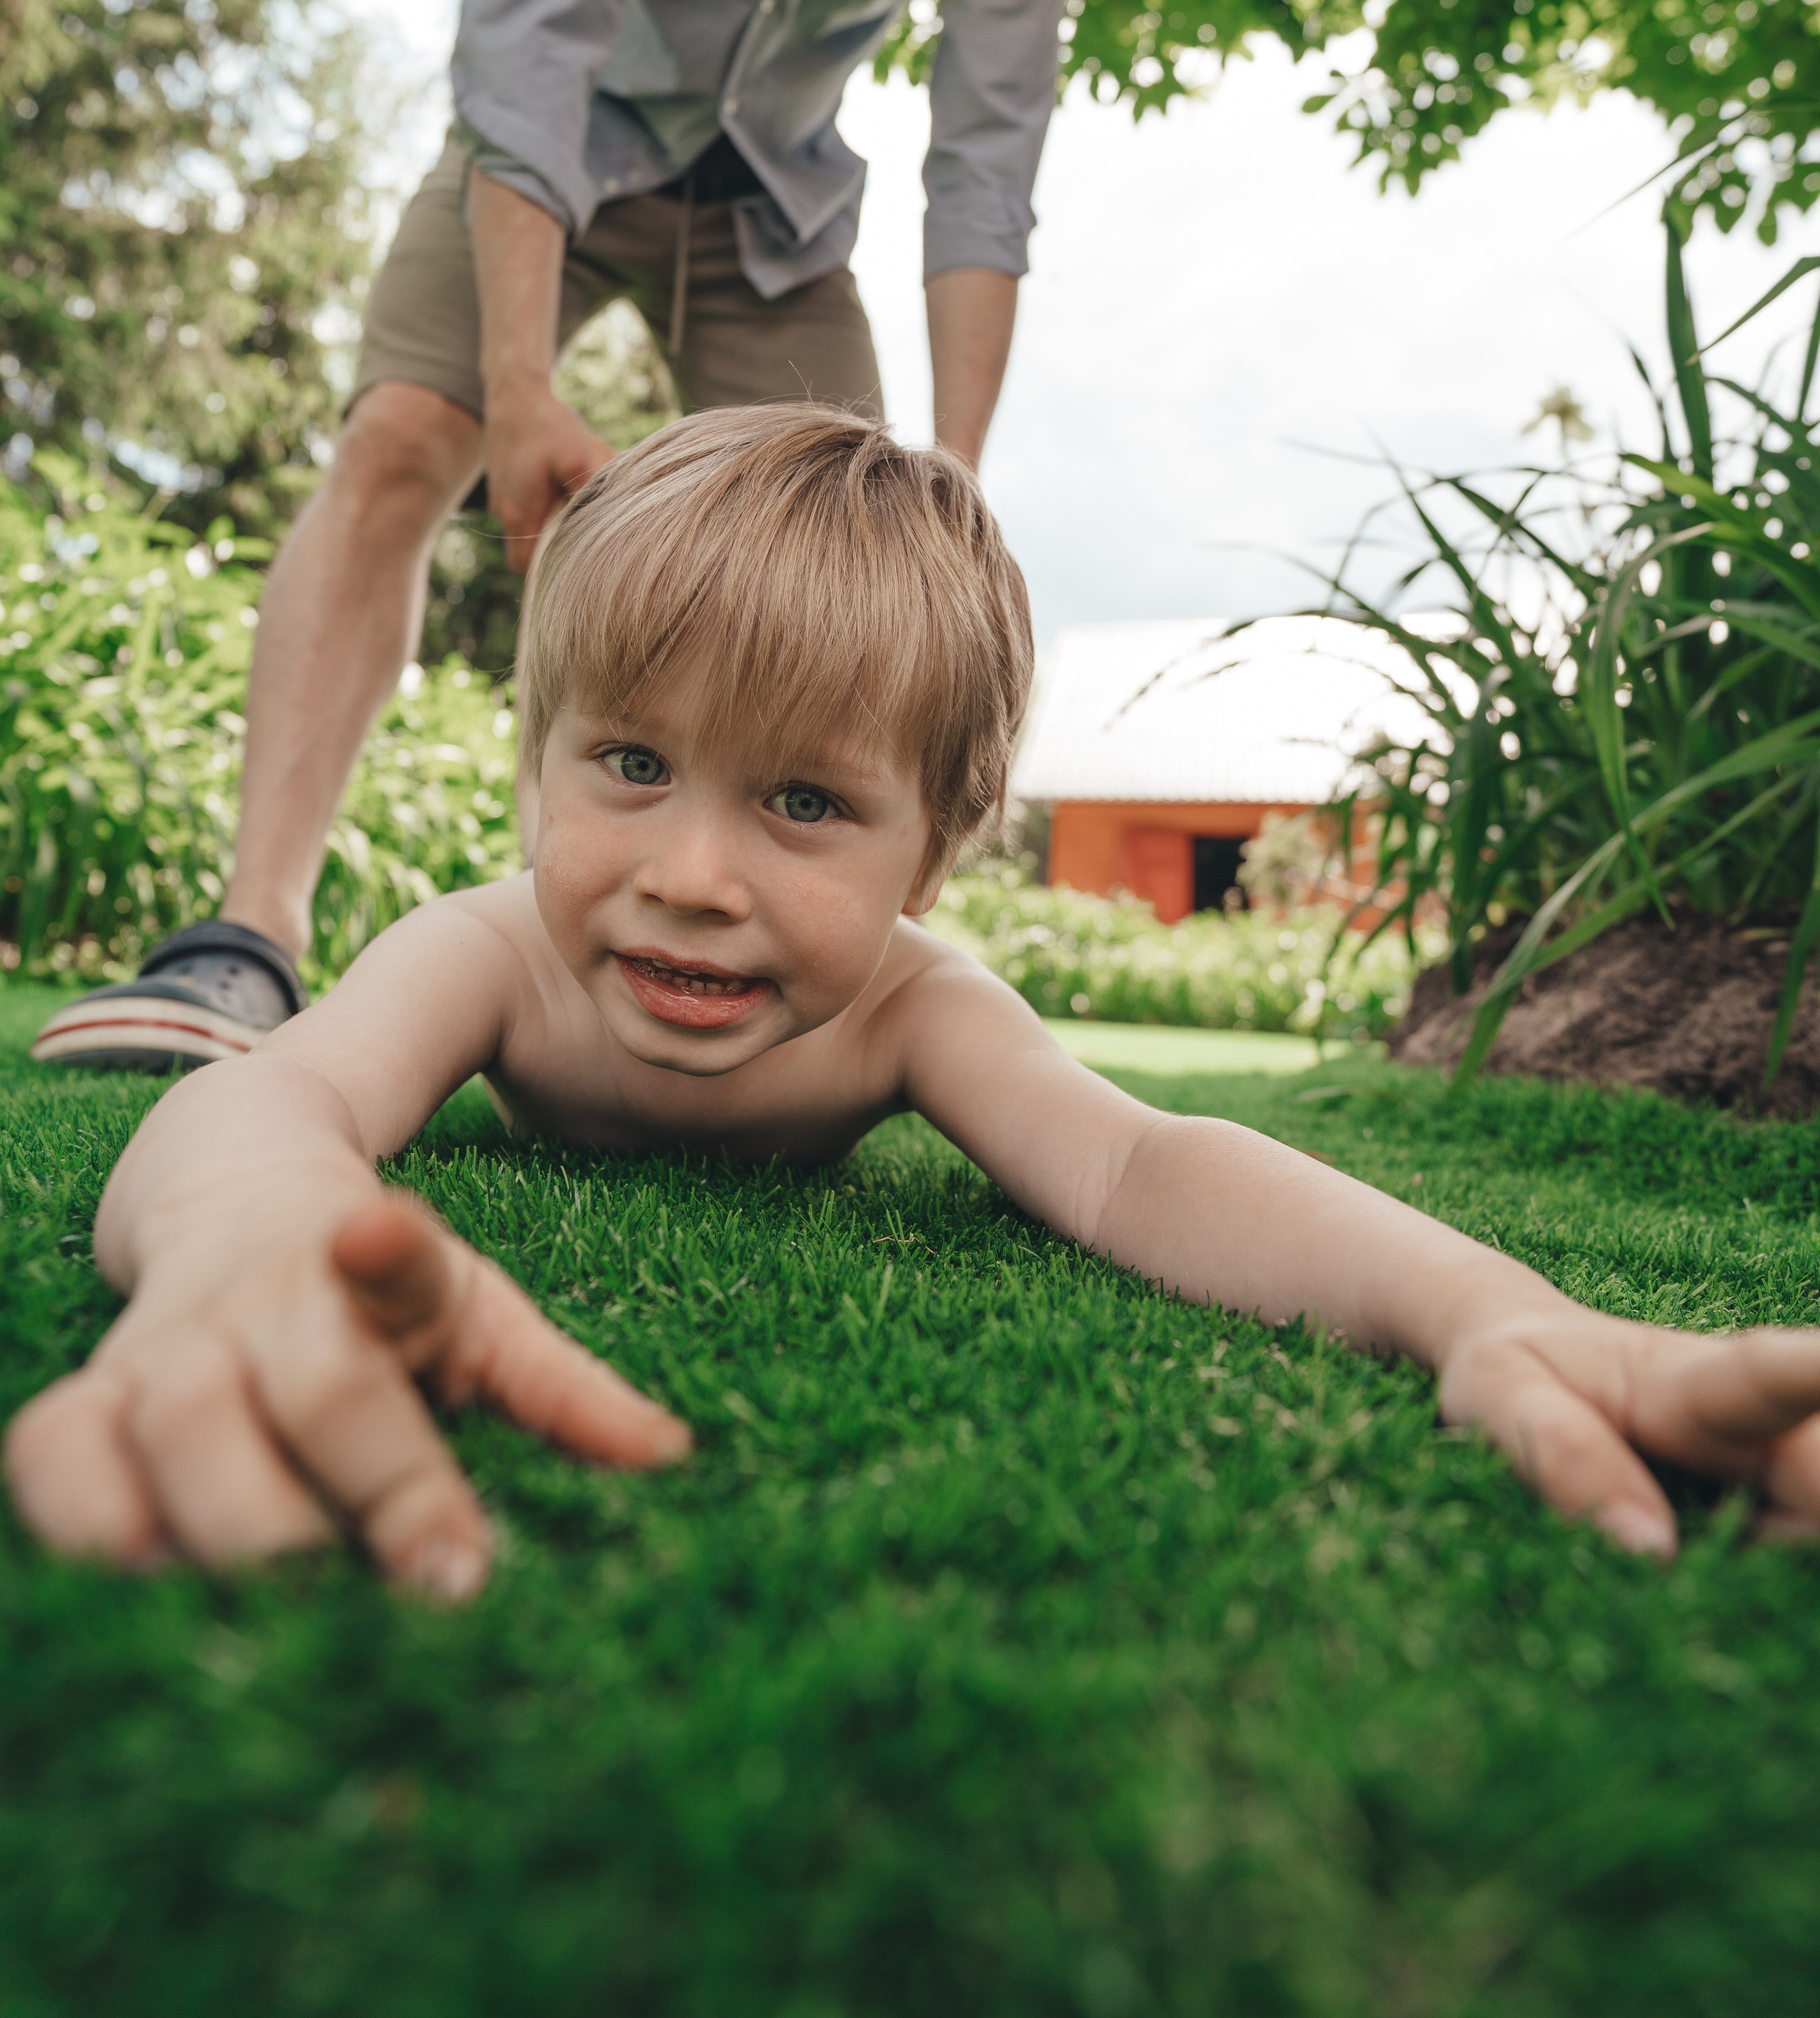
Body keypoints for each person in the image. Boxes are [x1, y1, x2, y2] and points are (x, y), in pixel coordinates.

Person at [12, 404, 1820, 1594]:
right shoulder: (485, 950)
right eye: (630, 762)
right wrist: (247, 1229)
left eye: (804, 803)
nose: (696, 874)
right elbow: (274, 1099)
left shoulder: (913, 1009)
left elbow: (1136, 1168)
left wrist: (1480, 1311)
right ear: (535, 762)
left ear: (934, 851)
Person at [31, 0, 1182, 1075]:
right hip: (554, 149)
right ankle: (248, 937)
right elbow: (533, 37)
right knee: (403, 439)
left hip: (776, 204)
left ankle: (837, 1005)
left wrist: (950, 495)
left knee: (857, 585)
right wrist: (513, 390)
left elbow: (983, 164)